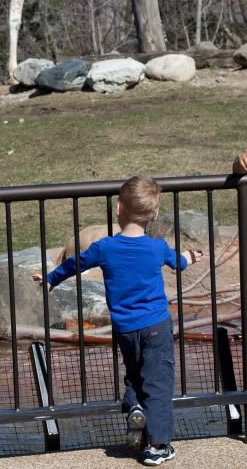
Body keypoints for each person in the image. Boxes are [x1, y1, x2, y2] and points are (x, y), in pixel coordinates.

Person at [33, 175, 201, 466]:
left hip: (125, 328)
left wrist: (51, 279)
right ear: (154, 215)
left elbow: (75, 263)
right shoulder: (157, 247)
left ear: (119, 210)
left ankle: (134, 404)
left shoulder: (105, 247)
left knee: (135, 373)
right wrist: (190, 256)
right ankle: (157, 446)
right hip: (157, 326)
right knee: (159, 383)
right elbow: (178, 262)